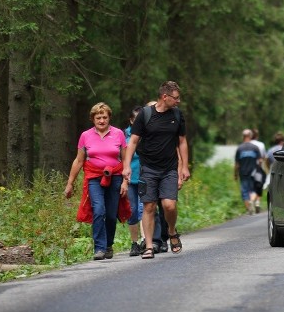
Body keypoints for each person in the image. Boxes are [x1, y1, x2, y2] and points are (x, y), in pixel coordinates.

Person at [122, 81, 191, 259]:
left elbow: (182, 141)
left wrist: (184, 166)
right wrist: (127, 166)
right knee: (149, 206)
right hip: (148, 168)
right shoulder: (145, 115)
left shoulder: (177, 114)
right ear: (164, 97)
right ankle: (149, 246)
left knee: (169, 205)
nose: (179, 101)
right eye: (175, 98)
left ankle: (171, 231)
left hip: (169, 168)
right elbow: (133, 142)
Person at [65, 102, 128, 260]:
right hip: (94, 177)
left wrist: (126, 181)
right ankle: (99, 248)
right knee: (99, 210)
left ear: (109, 118)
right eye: (98, 117)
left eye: (104, 117)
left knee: (112, 214)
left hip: (115, 177)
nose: (101, 120)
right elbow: (79, 161)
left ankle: (108, 245)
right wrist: (70, 183)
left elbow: (126, 160)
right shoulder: (85, 136)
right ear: (93, 119)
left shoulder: (118, 133)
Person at [124, 106, 145, 256]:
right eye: (136, 119)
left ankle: (146, 239)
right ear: (131, 121)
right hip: (130, 179)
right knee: (132, 211)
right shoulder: (125, 138)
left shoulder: (149, 135)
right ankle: (134, 243)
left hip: (146, 177)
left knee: (144, 209)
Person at [234, 128, 263, 214]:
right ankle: (252, 201)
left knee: (245, 191)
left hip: (243, 173)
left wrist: (235, 174)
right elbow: (260, 160)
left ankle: (249, 209)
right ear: (250, 136)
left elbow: (237, 164)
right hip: (253, 172)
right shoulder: (255, 147)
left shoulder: (239, 148)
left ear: (243, 137)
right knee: (254, 189)